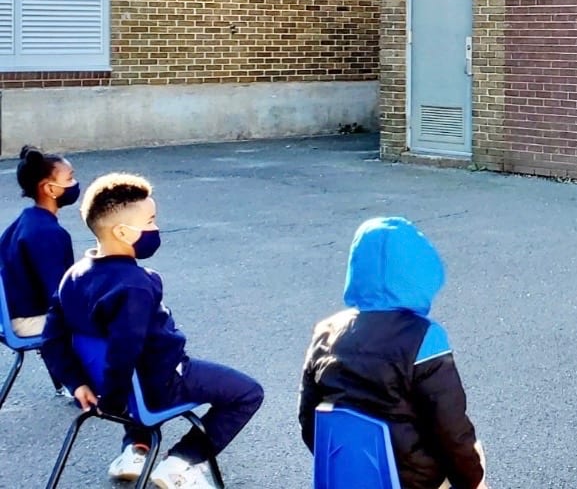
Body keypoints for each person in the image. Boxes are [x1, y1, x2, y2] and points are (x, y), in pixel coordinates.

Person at [41, 173, 264, 489]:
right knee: (247, 393)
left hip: (110, 385)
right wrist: (116, 404)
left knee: (133, 374)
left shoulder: (72, 277)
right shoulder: (136, 286)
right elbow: (124, 350)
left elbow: (52, 338)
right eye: (150, 221)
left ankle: (136, 449)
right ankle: (182, 462)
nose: (155, 229)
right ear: (122, 231)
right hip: (160, 383)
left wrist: (76, 383)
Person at [298, 216, 488, 489]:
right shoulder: (424, 337)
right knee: (475, 462)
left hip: (346, 476)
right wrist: (473, 480)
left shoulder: (325, 333)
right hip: (412, 481)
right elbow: (451, 430)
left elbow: (309, 420)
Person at [0, 146, 77, 338]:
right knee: (116, 322)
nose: (74, 184)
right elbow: (59, 292)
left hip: (11, 315)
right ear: (49, 188)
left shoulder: (26, 220)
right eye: (69, 179)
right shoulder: (48, 233)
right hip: (28, 320)